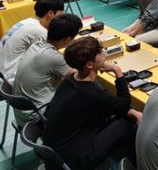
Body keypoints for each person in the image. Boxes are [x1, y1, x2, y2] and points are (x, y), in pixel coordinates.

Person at [44, 36, 140, 169]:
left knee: (119, 115)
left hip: (56, 151)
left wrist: (128, 110)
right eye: (100, 52)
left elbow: (111, 105)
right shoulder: (92, 93)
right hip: (74, 158)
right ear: (89, 65)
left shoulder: (70, 80)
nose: (104, 53)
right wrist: (117, 72)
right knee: (128, 122)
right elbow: (123, 103)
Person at [13, 13, 82, 127]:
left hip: (23, 113)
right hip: (37, 117)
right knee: (84, 98)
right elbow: (79, 77)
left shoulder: (37, 44)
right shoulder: (54, 57)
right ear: (68, 39)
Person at [0, 0, 64, 84]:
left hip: (3, 71)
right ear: (50, 13)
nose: (61, 19)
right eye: (60, 15)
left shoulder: (27, 22)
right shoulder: (40, 31)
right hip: (8, 79)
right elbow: (51, 58)